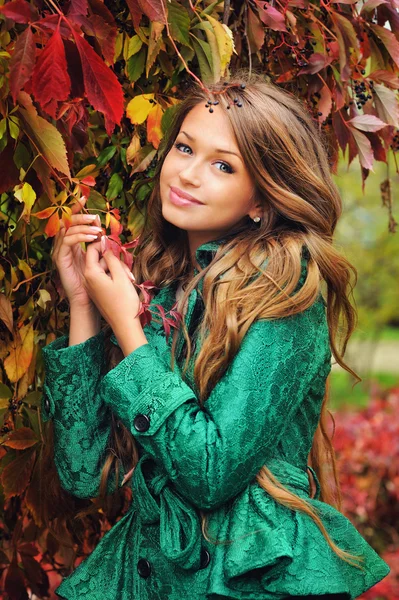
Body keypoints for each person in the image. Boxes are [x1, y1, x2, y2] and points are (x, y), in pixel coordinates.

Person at [41, 69, 389, 599]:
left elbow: (211, 471)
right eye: (184, 148)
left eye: (223, 165)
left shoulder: (284, 288)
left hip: (243, 571)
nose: (188, 174)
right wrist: (85, 306)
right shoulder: (161, 289)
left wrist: (128, 334)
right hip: (147, 575)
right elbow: (85, 474)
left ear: (262, 199)